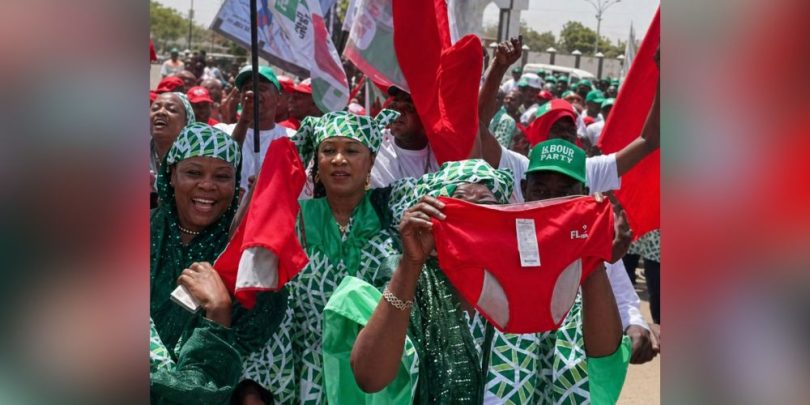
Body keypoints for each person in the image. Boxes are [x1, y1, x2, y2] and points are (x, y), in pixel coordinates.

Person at [347, 159, 629, 404]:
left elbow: (601, 365)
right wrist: (410, 266)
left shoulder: (534, 279)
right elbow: (370, 378)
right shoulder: (408, 280)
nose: (476, 224)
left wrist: (591, 259)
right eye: (461, 213)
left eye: (486, 210)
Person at [478, 37, 661, 363]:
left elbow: (617, 284)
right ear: (525, 183)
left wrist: (634, 324)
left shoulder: (590, 215)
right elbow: (476, 128)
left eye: (566, 189)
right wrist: (498, 68)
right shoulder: (517, 171)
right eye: (541, 189)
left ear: (582, 189)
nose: (552, 198)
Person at [239, 111, 404, 403]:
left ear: (372, 160)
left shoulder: (393, 212)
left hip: (378, 377)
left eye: (352, 151)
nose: (339, 160)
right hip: (307, 375)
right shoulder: (294, 218)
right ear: (317, 163)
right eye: (329, 151)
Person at [150, 123, 285, 403]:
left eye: (222, 176)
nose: (208, 185)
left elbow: (249, 349)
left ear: (236, 183)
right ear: (172, 174)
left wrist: (219, 310)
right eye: (193, 172)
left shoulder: (249, 256)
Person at [214, 65, 295, 195]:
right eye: (247, 89)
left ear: (278, 98)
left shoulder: (292, 140)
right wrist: (244, 120)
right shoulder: (220, 132)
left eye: (261, 88)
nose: (252, 93)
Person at [369, 87, 439, 188]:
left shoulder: (442, 154)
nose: (398, 113)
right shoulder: (372, 145)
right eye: (394, 106)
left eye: (408, 107)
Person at [150, 92, 195, 207]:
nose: (160, 112)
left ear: (186, 121)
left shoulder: (197, 157)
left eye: (172, 110)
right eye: (155, 108)